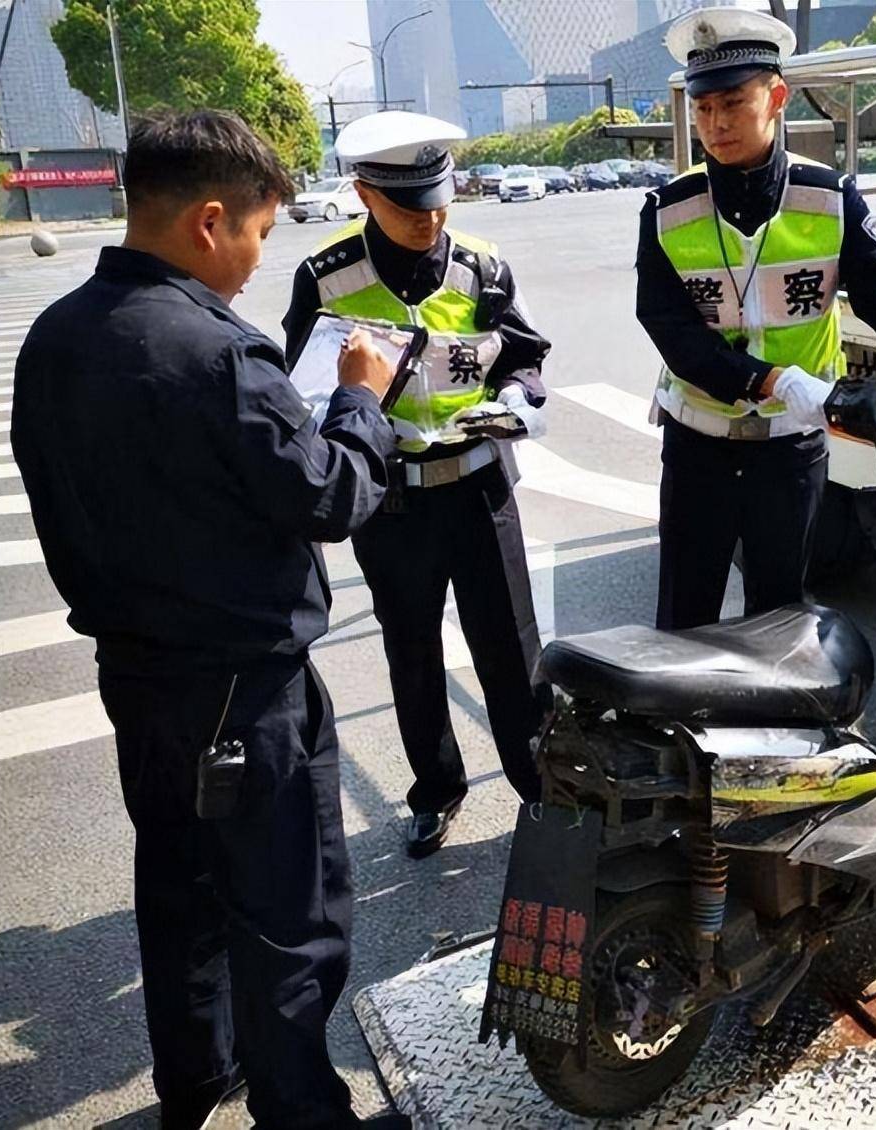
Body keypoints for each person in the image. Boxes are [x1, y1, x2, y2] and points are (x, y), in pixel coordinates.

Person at [11, 112, 408, 1129]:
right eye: (257, 235)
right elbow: (329, 498)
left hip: (139, 677)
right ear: (210, 220)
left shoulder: (53, 340)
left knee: (180, 891)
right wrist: (360, 400)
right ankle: (301, 1111)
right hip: (247, 690)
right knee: (287, 916)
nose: (255, 258)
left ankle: (197, 1077)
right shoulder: (223, 354)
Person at [638, 7, 876, 631]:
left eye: (733, 102)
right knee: (683, 618)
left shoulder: (829, 197)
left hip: (791, 451)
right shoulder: (667, 210)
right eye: (702, 108)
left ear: (777, 97)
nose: (716, 123)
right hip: (698, 447)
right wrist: (774, 381)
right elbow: (672, 332)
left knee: (780, 621)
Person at [283, 112, 550, 859]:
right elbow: (297, 388)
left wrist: (522, 397)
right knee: (411, 649)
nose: (430, 220)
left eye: (441, 201)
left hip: (478, 487)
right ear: (366, 195)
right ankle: (436, 791)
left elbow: (523, 354)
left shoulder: (484, 267)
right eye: (410, 207)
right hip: (390, 498)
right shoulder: (327, 278)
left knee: (511, 645)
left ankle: (541, 786)